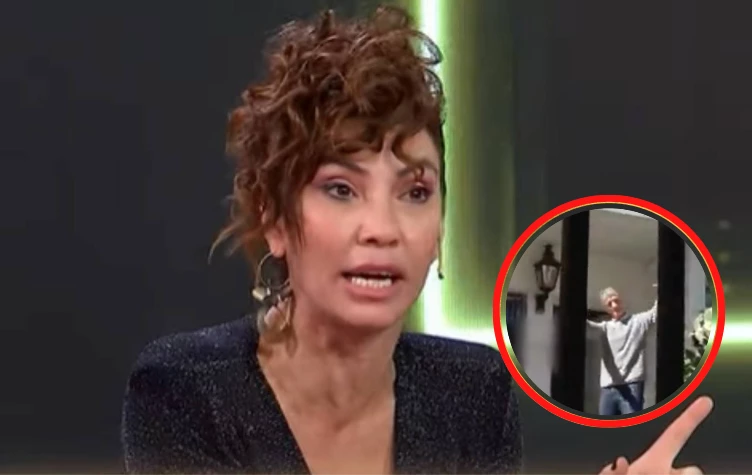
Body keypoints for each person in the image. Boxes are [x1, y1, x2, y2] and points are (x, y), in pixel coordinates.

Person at [120, 5, 713, 474]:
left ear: (440, 228)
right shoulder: (188, 391)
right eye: (341, 189)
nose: (382, 228)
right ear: (275, 219)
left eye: (415, 191)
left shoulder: (473, 394)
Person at [588, 287, 657, 416]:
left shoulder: (638, 322)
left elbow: (657, 312)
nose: (615, 306)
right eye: (609, 304)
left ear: (622, 301)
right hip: (609, 387)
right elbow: (586, 325)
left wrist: (661, 290)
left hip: (632, 384)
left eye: (616, 301)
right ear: (607, 309)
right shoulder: (605, 328)